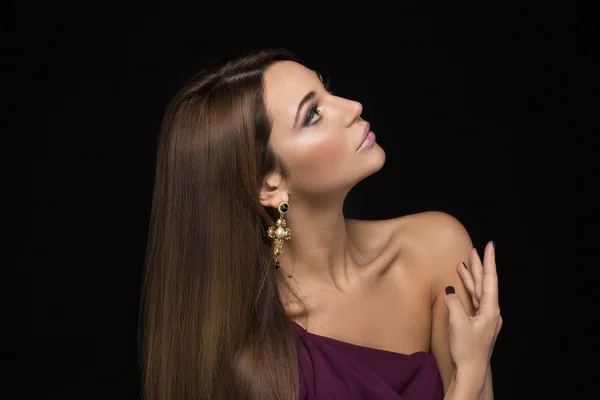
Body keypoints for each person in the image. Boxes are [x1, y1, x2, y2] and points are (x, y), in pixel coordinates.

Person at [140, 48, 502, 400]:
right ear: (269, 184)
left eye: (326, 88)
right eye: (313, 114)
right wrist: (470, 371)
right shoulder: (252, 355)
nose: (353, 107)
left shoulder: (435, 248)